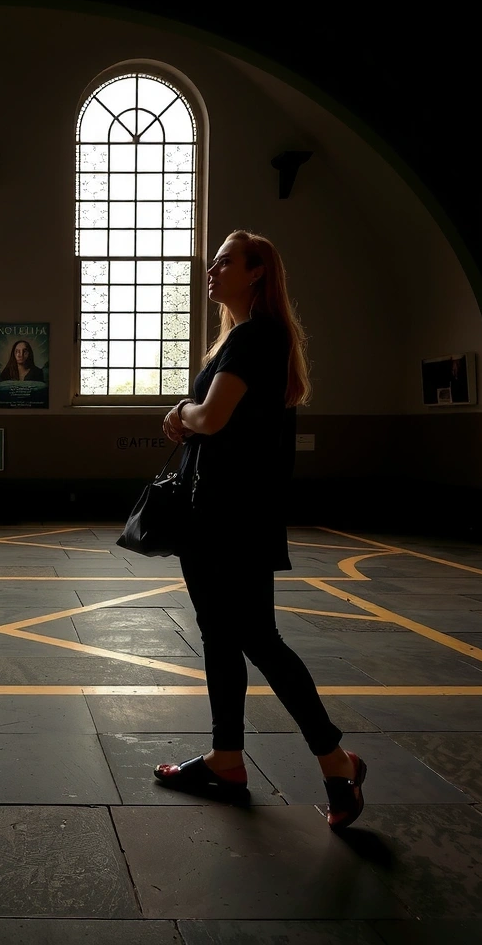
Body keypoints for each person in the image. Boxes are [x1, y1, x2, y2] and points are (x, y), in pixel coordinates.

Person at [156, 229, 367, 832]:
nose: (211, 271)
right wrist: (191, 420)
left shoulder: (255, 337)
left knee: (256, 637)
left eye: (224, 262)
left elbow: (213, 416)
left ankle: (336, 761)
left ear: (256, 273)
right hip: (215, 515)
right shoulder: (242, 340)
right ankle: (226, 760)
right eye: (212, 262)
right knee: (220, 637)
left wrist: (180, 415)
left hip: (232, 517)